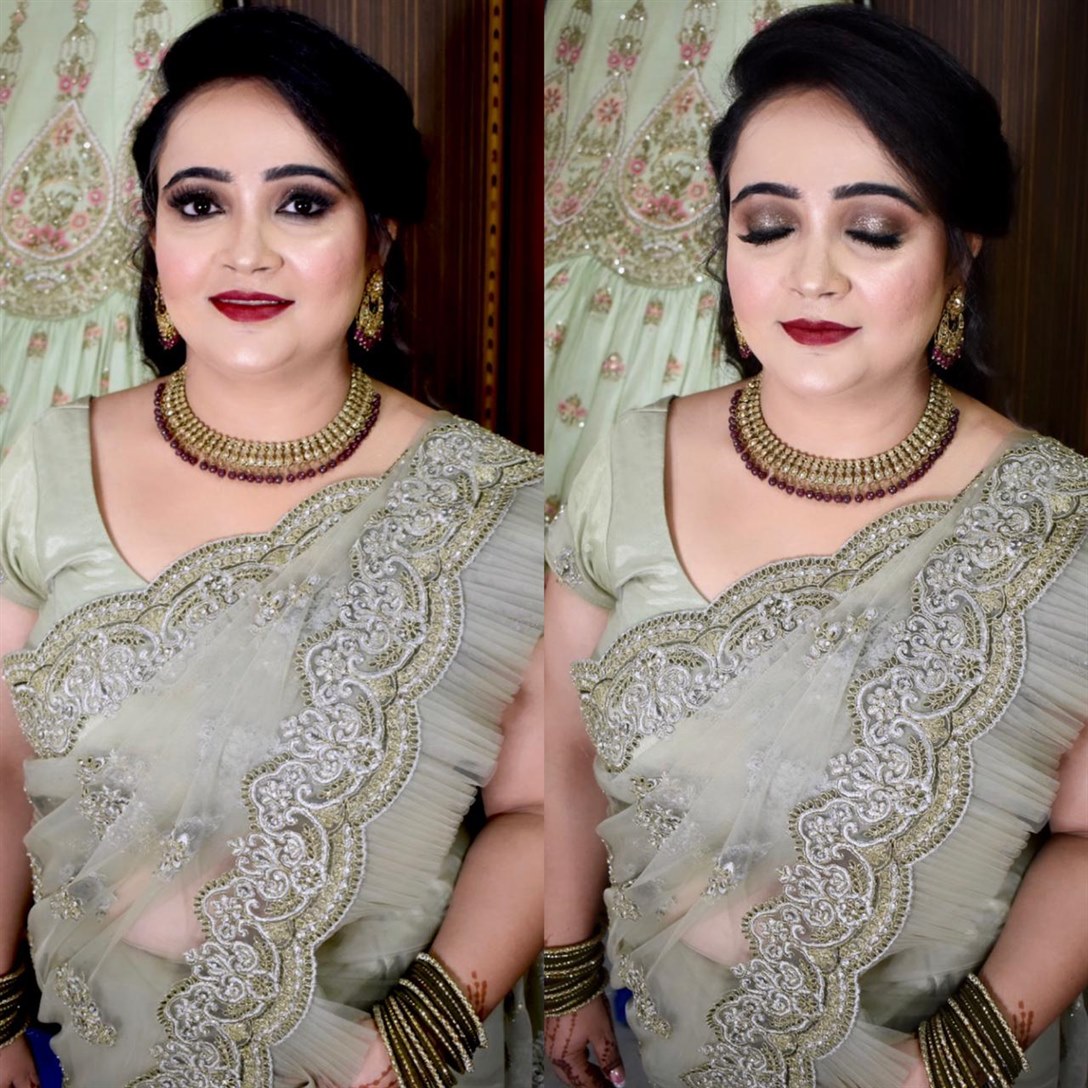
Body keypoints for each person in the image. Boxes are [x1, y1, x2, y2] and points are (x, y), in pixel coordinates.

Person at [543, 7, 1088, 1088]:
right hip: (659, 1040)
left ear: (960, 250)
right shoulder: (632, 459)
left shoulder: (1054, 516)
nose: (811, 275)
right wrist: (566, 973)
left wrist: (957, 1057)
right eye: (766, 225)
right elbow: (562, 741)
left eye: (872, 229)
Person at [0, 9, 543, 1088]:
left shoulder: (498, 505)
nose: (244, 250)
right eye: (199, 202)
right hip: (95, 1046)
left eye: (301, 202)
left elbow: (537, 810)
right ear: (153, 234)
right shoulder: (48, 463)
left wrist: (412, 1038)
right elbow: (5, 768)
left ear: (379, 236)